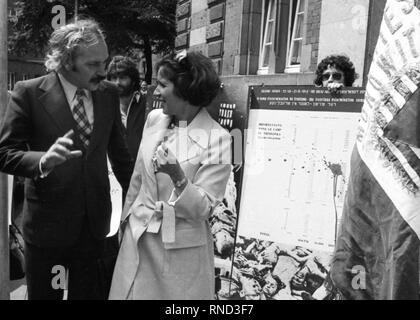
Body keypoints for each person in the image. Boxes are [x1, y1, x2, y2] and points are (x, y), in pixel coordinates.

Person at [0, 19, 133, 300]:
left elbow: (121, 158)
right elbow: (5, 154)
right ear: (65, 61)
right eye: (93, 64)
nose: (103, 71)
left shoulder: (108, 94)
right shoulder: (29, 93)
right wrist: (43, 161)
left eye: (104, 62)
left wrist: (139, 201)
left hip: (95, 225)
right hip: (49, 229)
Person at [109, 50, 232, 300]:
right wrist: (126, 220)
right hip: (137, 238)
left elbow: (203, 210)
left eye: (163, 85)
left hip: (177, 251)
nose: (155, 91)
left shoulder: (219, 138)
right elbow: (138, 178)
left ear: (185, 89)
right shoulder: (155, 118)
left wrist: (178, 176)